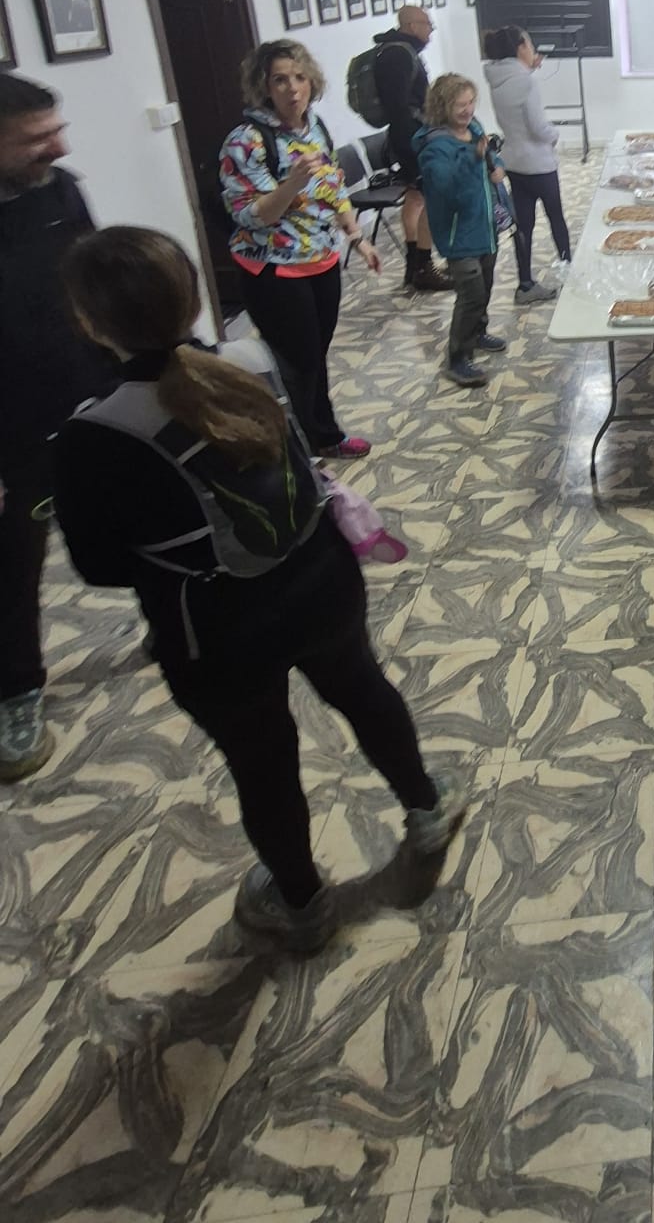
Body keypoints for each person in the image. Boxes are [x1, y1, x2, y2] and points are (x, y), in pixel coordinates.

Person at [53, 227, 467, 953]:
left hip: (217, 629)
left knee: (263, 760)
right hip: (320, 578)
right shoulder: (249, 359)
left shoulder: (97, 432)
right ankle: (427, 812)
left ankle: (301, 904)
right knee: (363, 690)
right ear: (190, 297)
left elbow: (99, 565)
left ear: (90, 324)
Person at [0, 76, 113, 780]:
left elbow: (99, 286)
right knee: (12, 568)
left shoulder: (59, 190)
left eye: (57, 129)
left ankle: (173, 625)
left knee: (133, 523)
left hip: (89, 402)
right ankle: (16, 692)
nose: (60, 147)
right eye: (37, 138)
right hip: (11, 432)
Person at [221, 41, 379, 461]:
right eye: (280, 80)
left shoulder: (315, 127)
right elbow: (250, 216)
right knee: (296, 363)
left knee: (314, 357)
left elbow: (332, 187)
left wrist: (357, 237)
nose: (292, 89)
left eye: (299, 77)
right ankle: (297, 452)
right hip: (273, 270)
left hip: (321, 260)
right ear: (264, 87)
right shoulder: (246, 141)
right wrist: (291, 183)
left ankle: (322, 436)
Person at [416, 75, 511, 385]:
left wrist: (496, 164)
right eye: (460, 105)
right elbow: (443, 186)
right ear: (443, 106)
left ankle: (478, 332)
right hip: (458, 235)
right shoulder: (435, 146)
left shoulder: (474, 128)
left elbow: (489, 155)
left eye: (471, 102)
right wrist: (474, 158)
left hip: (485, 227)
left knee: (485, 284)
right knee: (470, 294)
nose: (468, 110)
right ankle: (457, 358)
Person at [483, 25, 569, 304]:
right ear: (521, 47)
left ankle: (524, 284)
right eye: (530, 45)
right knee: (556, 218)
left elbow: (516, 102)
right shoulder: (526, 82)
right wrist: (554, 134)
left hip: (514, 162)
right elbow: (537, 127)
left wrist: (528, 68)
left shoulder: (498, 78)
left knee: (523, 225)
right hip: (539, 163)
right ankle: (569, 273)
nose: (533, 51)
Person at [371, 6, 453, 293]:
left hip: (408, 136)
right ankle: (422, 266)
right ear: (410, 25)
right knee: (427, 199)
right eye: (426, 24)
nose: (430, 30)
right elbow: (399, 107)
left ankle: (415, 266)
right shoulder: (398, 55)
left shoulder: (398, 50)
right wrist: (419, 140)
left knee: (416, 198)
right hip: (411, 139)